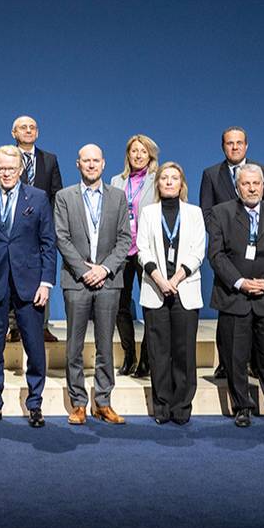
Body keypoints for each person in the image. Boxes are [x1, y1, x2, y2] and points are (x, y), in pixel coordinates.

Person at [0, 145, 57, 428]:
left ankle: (35, 405)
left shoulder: (39, 198)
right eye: (2, 169)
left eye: (11, 168)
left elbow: (48, 243)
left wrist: (46, 282)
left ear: (21, 170)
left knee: (34, 348)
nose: (6, 173)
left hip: (30, 285)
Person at [207, 164, 264, 429]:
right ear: (237, 187)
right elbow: (216, 255)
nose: (252, 188)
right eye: (246, 184)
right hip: (234, 297)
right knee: (235, 357)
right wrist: (240, 282)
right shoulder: (220, 214)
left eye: (256, 183)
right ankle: (242, 407)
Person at [54, 144, 132, 425]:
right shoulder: (64, 197)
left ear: (103, 164)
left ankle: (103, 402)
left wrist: (105, 269)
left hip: (109, 281)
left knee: (105, 345)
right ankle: (78, 403)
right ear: (78, 164)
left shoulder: (118, 197)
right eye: (85, 160)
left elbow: (125, 239)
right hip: (77, 281)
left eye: (95, 161)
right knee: (74, 345)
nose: (90, 165)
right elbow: (61, 238)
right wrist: (84, 271)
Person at [199, 126, 264, 379]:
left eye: (239, 142)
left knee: (257, 312)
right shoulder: (211, 174)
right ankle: (226, 363)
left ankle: (253, 362)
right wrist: (227, 234)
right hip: (228, 253)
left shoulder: (262, 172)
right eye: (230, 143)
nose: (234, 147)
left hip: (259, 255)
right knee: (229, 313)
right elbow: (206, 213)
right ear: (223, 146)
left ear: (246, 145)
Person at [135, 162, 205, 425]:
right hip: (155, 289)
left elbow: (198, 251)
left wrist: (175, 279)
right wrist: (160, 280)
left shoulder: (194, 213)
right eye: (164, 177)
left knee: (184, 351)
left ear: (181, 183)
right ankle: (162, 405)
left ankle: (182, 406)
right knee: (158, 351)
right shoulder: (149, 213)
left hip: (184, 288)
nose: (168, 182)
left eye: (174, 178)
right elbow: (142, 249)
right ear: (158, 183)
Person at [0, 115, 62, 343]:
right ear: (14, 133)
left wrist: (48, 224)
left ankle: (42, 325)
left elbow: (55, 194)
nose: (28, 130)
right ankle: (13, 326)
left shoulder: (49, 159)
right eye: (23, 127)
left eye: (32, 127)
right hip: (11, 229)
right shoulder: (5, 159)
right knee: (11, 274)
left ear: (37, 133)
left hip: (40, 228)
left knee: (43, 274)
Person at [112, 134, 159, 377]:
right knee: (122, 306)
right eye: (134, 151)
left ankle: (146, 359)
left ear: (150, 155)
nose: (138, 155)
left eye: (143, 151)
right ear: (128, 155)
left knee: (150, 305)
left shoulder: (158, 180)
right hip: (121, 251)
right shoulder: (116, 181)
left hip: (147, 251)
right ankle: (129, 356)